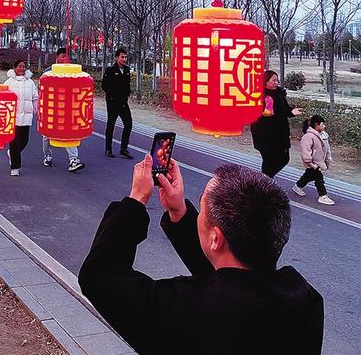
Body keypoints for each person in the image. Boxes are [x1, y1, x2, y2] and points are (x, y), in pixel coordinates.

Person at [79, 156, 324, 355]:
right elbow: (233, 283)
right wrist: (180, 213)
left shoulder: (188, 311)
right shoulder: (306, 301)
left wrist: (136, 200)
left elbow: (99, 276)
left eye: (202, 206)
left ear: (216, 238)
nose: (198, 216)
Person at [250, 69, 303, 177]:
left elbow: (285, 109)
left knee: (284, 158)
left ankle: (265, 180)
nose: (276, 83)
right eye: (273, 80)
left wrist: (292, 111)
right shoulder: (258, 95)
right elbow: (261, 114)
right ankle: (265, 182)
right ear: (265, 81)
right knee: (269, 160)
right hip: (264, 133)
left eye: (277, 80)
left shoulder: (279, 93)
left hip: (279, 132)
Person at [41, 48, 85, 173]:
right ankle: (47, 156)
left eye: (67, 56)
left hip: (67, 109)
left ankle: (73, 160)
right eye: (62, 56)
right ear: (57, 57)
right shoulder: (48, 72)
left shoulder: (72, 73)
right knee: (47, 135)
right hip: (51, 109)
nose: (65, 58)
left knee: (70, 134)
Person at [4, 59, 38, 176]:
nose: (22, 68)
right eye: (19, 66)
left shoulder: (30, 82)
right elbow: (3, 96)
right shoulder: (9, 82)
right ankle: (15, 167)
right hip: (13, 116)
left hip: (26, 115)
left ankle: (12, 153)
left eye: (23, 66)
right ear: (14, 68)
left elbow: (35, 97)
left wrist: (35, 108)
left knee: (24, 140)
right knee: (14, 141)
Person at [293, 115, 334, 205]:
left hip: (320, 161)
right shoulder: (308, 136)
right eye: (322, 124)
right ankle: (323, 195)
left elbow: (327, 149)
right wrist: (309, 162)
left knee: (309, 175)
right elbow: (305, 150)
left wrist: (328, 159)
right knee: (319, 178)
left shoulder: (324, 135)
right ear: (316, 125)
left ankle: (298, 186)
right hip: (314, 162)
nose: (324, 126)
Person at [102, 47, 133, 158]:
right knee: (111, 124)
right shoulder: (110, 70)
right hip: (113, 102)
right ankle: (108, 149)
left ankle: (124, 149)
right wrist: (112, 96)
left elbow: (127, 85)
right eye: (122, 57)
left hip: (123, 102)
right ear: (117, 58)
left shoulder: (127, 70)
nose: (124, 59)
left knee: (128, 123)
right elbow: (104, 86)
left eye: (125, 57)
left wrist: (128, 93)